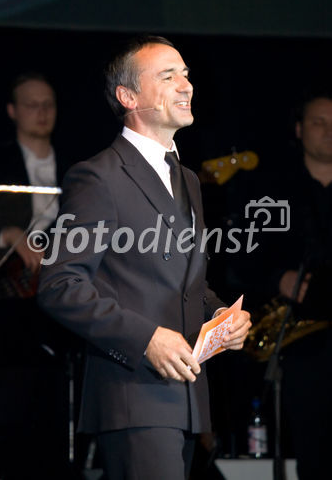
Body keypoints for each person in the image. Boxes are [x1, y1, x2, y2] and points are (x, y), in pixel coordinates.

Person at [38, 35, 251, 480]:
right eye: (168, 75)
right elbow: (60, 284)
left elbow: (185, 283)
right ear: (128, 96)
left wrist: (221, 317)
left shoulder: (189, 180)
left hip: (188, 402)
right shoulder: (98, 177)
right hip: (134, 395)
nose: (186, 85)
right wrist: (146, 338)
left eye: (187, 74)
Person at [222, 87, 332, 478]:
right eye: (319, 122)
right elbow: (239, 261)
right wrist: (278, 278)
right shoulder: (272, 190)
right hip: (301, 343)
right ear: (299, 130)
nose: (328, 131)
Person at [0, 73, 72, 479]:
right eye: (31, 104)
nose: (42, 112)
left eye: (49, 104)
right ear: (12, 111)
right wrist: (6, 234)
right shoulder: (2, 161)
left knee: (53, 406)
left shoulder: (79, 166)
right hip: (11, 309)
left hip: (61, 306)